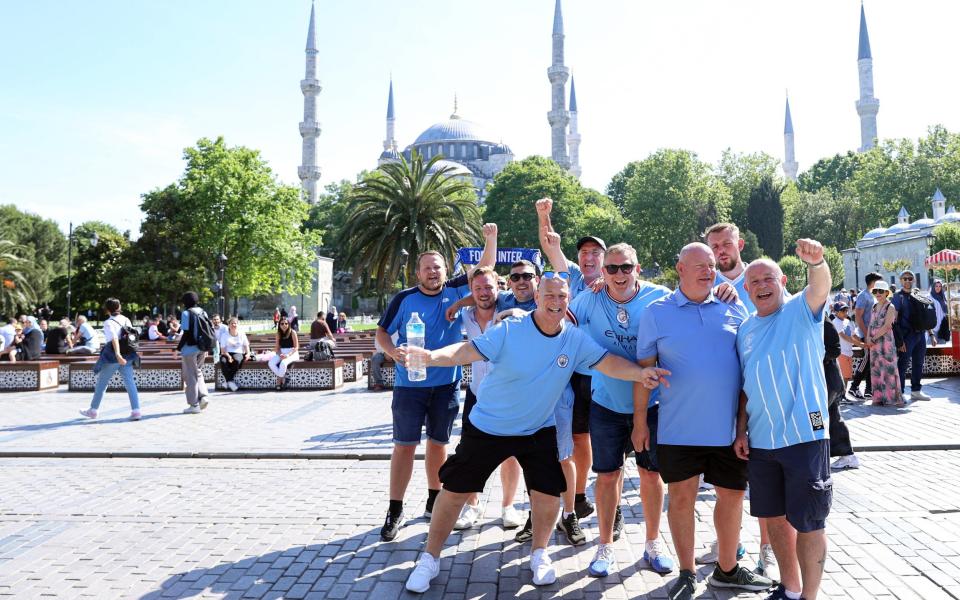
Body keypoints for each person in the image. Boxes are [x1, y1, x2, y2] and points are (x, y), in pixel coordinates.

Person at [400, 274, 670, 593]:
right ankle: (429, 559)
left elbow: (608, 363)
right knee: (456, 491)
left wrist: (641, 373)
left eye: (562, 297)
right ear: (538, 297)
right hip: (490, 426)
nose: (556, 302)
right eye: (550, 296)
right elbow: (465, 352)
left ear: (569, 300)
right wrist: (430, 357)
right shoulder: (509, 330)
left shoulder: (574, 339)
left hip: (537, 428)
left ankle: (539, 554)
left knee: (547, 492)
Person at [635, 244, 770, 597]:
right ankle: (686, 571)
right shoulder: (655, 313)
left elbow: (748, 364)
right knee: (681, 499)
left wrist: (745, 426)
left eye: (712, 265)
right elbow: (644, 373)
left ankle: (727, 569)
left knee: (733, 497)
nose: (709, 271)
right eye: (700, 266)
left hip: (727, 431)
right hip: (678, 428)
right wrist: (638, 421)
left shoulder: (732, 305)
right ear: (680, 269)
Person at [374, 226, 497, 542]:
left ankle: (433, 499)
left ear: (446, 271)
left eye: (437, 267)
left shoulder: (456, 291)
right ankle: (395, 508)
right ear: (417, 272)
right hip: (409, 386)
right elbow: (382, 333)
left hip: (446, 385)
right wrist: (391, 351)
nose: (432, 272)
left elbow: (486, 271)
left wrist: (489, 239)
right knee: (404, 446)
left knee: (439, 444)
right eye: (427, 268)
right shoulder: (404, 299)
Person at [567, 241, 675, 577]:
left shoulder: (659, 296)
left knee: (651, 474)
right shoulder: (590, 298)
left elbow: (697, 301)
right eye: (611, 268)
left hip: (653, 403)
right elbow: (558, 317)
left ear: (637, 268)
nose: (618, 274)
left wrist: (727, 291)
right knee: (608, 475)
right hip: (606, 402)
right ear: (602, 271)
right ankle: (604, 546)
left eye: (625, 267)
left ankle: (653, 542)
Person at [734, 238, 833, 600]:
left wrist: (817, 262)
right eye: (754, 282)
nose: (761, 286)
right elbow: (745, 385)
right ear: (746, 289)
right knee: (774, 519)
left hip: (804, 436)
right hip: (762, 442)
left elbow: (821, 285)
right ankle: (790, 589)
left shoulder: (801, 311)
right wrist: (741, 429)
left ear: (783, 282)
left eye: (768, 279)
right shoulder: (745, 329)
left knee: (809, 522)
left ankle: (809, 596)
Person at [537, 197, 604, 522]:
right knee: (571, 435)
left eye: (595, 253)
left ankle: (585, 496)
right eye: (584, 253)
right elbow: (551, 246)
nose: (589, 257)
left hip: (602, 372)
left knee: (591, 437)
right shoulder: (573, 279)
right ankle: (571, 496)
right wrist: (544, 216)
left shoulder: (612, 283)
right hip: (570, 370)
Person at [451, 266, 524, 531]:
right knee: (469, 453)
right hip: (476, 394)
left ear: (499, 289)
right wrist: (460, 302)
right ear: (471, 290)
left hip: (506, 395)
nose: (483, 293)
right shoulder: (466, 316)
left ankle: (508, 506)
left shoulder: (508, 314)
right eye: (478, 288)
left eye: (489, 287)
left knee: (510, 454)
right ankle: (472, 505)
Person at [79, 298, 141, 421]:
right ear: (119, 307)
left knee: (102, 383)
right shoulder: (126, 319)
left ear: (107, 309)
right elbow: (131, 337)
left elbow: (114, 339)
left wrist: (117, 354)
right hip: (128, 354)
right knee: (130, 383)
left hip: (113, 356)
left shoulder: (108, 322)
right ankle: (136, 411)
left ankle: (93, 410)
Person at [824, 316, 860, 471]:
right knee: (832, 417)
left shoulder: (822, 322)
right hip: (827, 380)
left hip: (828, 380)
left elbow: (834, 349)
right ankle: (847, 455)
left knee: (816, 417)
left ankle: (817, 454)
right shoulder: (814, 319)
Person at [891, 270, 932, 402]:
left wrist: (931, 334)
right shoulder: (898, 296)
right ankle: (900, 392)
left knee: (918, 363)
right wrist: (899, 340)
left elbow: (925, 316)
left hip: (920, 334)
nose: (908, 281)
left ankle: (916, 390)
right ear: (900, 280)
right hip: (906, 335)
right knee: (902, 364)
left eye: (910, 278)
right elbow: (894, 320)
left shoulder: (918, 294)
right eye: (905, 278)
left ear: (914, 280)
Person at [865, 280, 902, 407]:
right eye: (875, 291)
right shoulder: (874, 306)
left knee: (889, 369)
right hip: (874, 343)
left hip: (885, 342)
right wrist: (868, 338)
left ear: (887, 293)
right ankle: (878, 398)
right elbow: (870, 323)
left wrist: (873, 338)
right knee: (876, 369)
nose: (878, 293)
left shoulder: (890, 307)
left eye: (881, 291)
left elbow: (887, 326)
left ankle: (891, 398)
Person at [848, 273, 883, 400]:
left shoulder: (872, 295)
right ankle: (854, 386)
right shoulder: (863, 296)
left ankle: (869, 389)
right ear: (873, 282)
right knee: (867, 359)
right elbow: (858, 316)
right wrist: (866, 335)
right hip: (866, 334)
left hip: (872, 334)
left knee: (871, 361)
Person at [178, 291, 210, 414]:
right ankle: (204, 396)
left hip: (189, 349)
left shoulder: (186, 313)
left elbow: (186, 333)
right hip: (201, 347)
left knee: (190, 376)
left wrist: (179, 348)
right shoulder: (203, 311)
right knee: (198, 372)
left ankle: (194, 405)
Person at [830, 304, 859, 401]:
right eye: (842, 311)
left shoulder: (848, 321)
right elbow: (844, 336)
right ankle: (841, 396)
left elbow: (853, 335)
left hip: (849, 352)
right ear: (836, 312)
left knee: (847, 377)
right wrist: (860, 344)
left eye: (846, 310)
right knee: (843, 376)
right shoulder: (835, 322)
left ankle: (843, 395)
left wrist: (863, 342)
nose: (845, 313)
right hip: (842, 353)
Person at [218, 316, 250, 392]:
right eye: (232, 323)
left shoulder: (242, 334)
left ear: (237, 324)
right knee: (223, 361)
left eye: (235, 323)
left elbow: (246, 345)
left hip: (238, 352)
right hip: (226, 353)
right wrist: (228, 356)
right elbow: (222, 350)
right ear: (228, 325)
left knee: (237, 360)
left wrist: (248, 353)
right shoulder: (224, 335)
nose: (233, 325)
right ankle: (230, 381)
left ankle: (227, 381)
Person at [268, 317, 299, 390]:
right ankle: (284, 378)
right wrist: (280, 354)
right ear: (279, 325)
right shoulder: (278, 334)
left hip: (292, 352)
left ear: (289, 324)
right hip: (282, 352)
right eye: (282, 323)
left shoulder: (292, 332)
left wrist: (288, 355)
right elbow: (277, 348)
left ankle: (279, 381)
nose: (284, 325)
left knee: (283, 363)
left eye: (286, 323)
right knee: (271, 363)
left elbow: (296, 347)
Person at [931, 279, 950, 344]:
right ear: (933, 286)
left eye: (940, 286)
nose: (938, 288)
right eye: (936, 286)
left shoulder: (943, 297)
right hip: (933, 327)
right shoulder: (929, 297)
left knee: (942, 346)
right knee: (933, 348)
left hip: (943, 327)